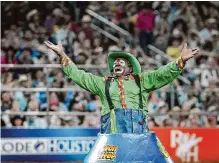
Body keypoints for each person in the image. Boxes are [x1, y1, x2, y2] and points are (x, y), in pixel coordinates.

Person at [44, 40, 199, 162]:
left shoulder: (142, 80)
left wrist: (180, 61)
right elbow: (79, 75)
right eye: (115, 62)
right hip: (111, 139)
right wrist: (62, 55)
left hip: (139, 138)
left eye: (121, 61)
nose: (117, 63)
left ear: (130, 68)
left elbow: (162, 74)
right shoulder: (103, 83)